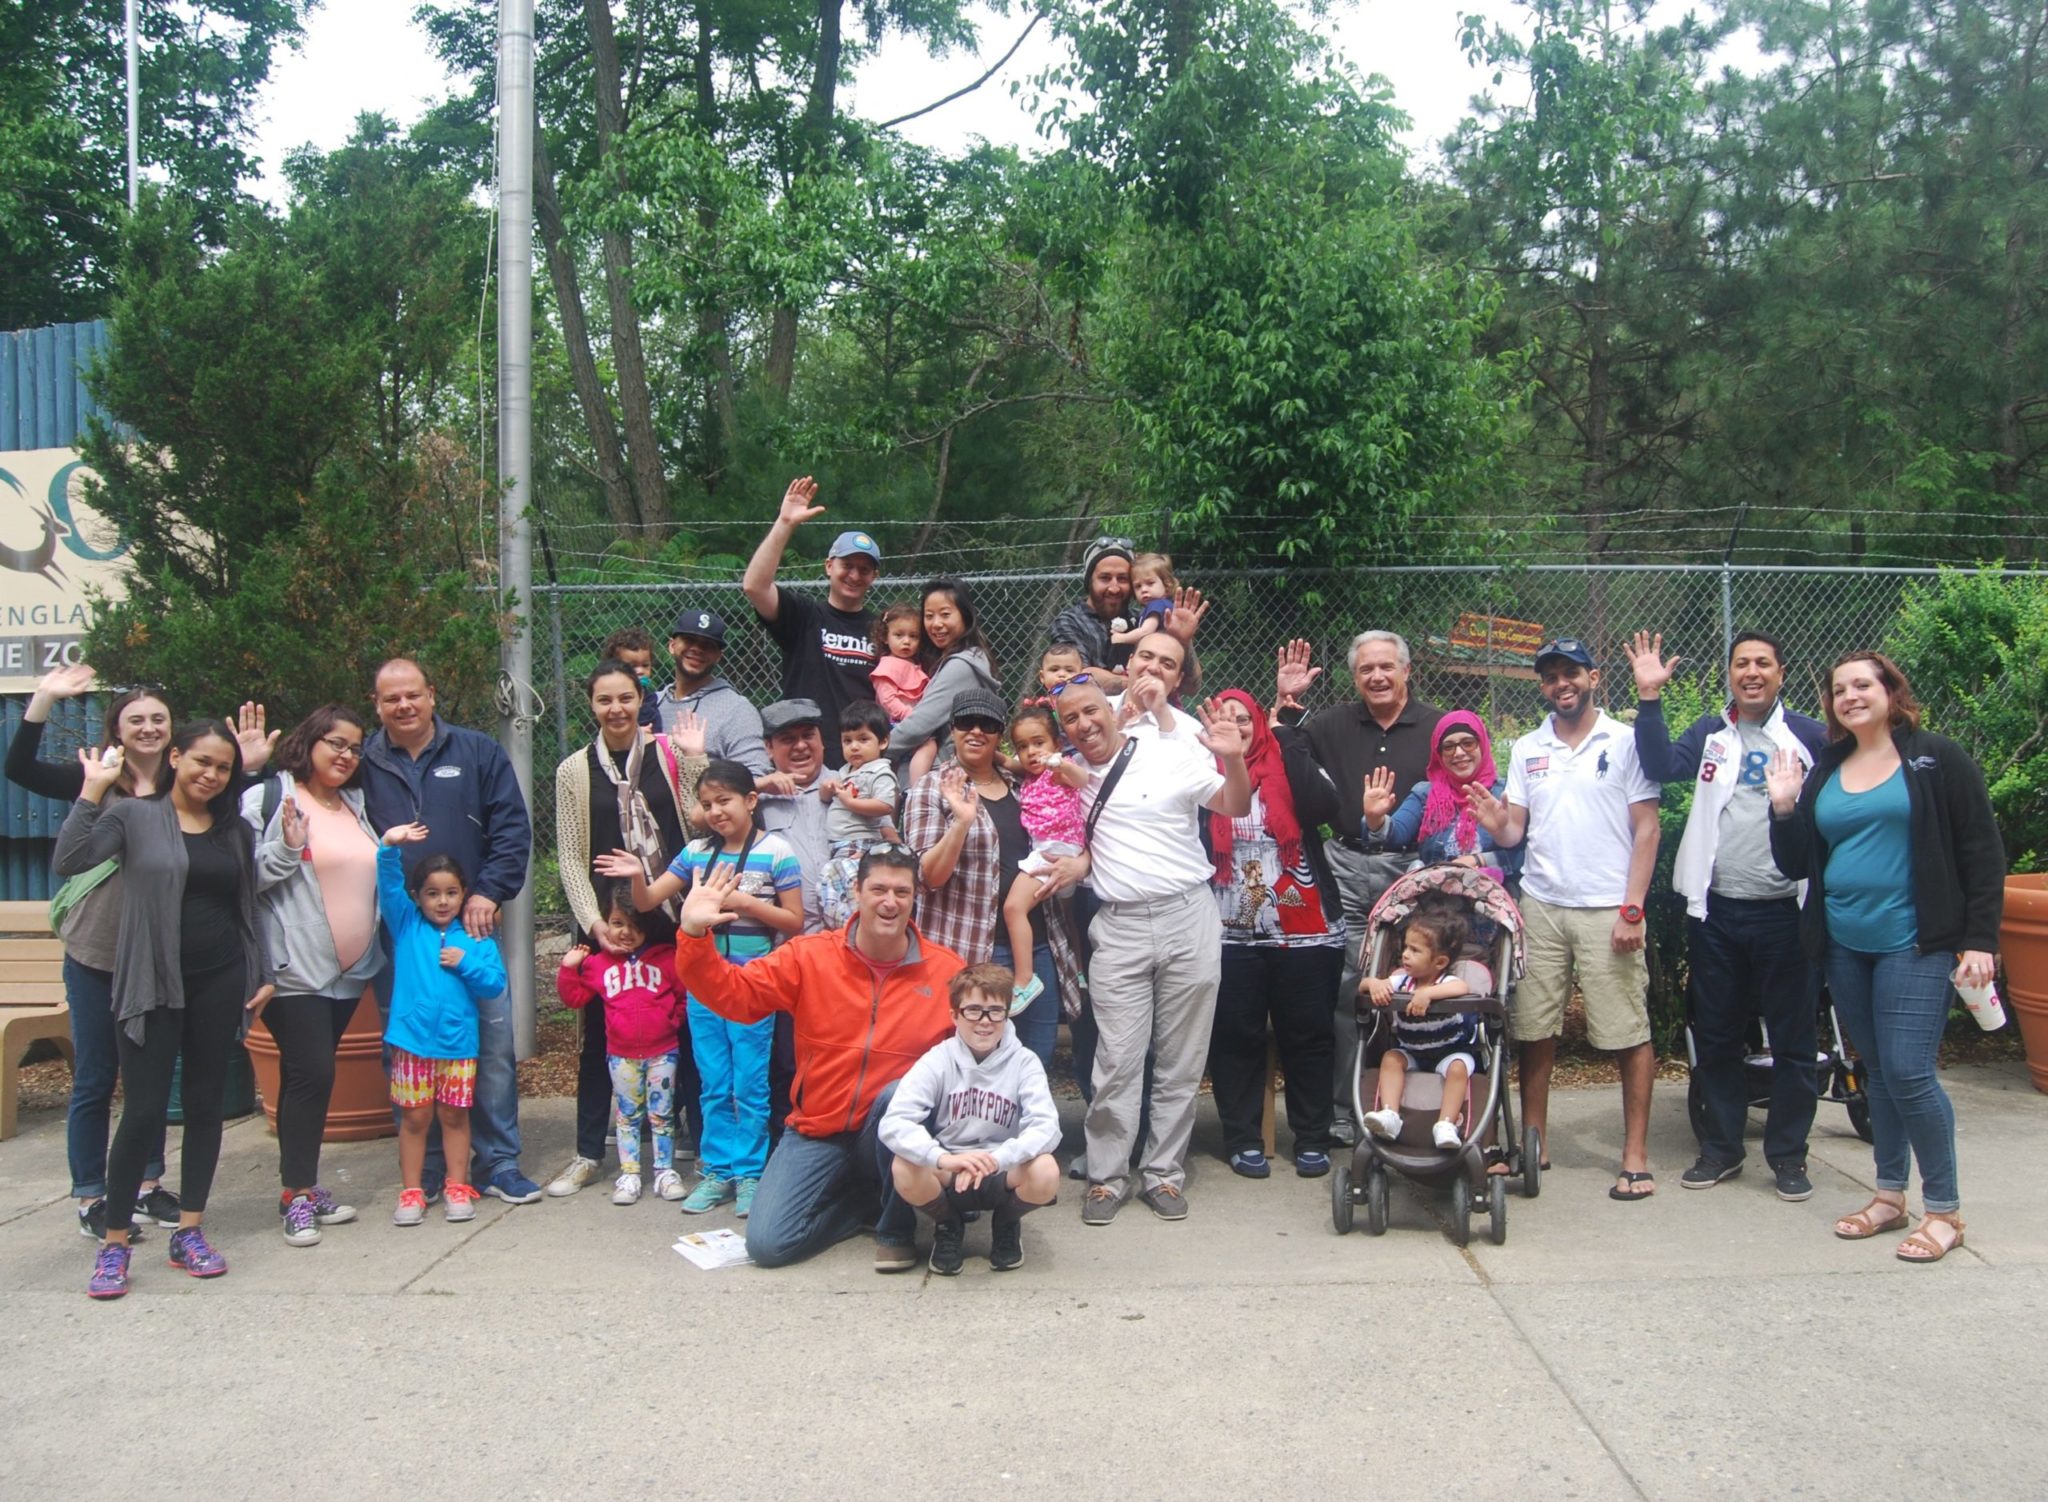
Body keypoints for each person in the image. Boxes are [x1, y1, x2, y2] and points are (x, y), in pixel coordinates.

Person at [7, 666, 274, 1240]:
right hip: (102, 950)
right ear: (119, 731)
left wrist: (247, 769)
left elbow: (236, 871)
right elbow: (22, 775)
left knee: (158, 1085)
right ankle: (92, 1197)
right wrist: (45, 704)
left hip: (178, 958)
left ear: (172, 735)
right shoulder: (106, 784)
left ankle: (149, 1185)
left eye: (158, 718)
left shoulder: (207, 796)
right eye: (136, 720)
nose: (149, 728)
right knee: (101, 1077)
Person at [1766, 651, 2003, 1263]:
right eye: (1839, 687)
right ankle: (1890, 1196)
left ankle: (1945, 1211)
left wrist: (1980, 940)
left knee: (1909, 1072)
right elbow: (1797, 864)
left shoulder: (1935, 757)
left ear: (1890, 691)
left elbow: (1981, 849)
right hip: (1845, 943)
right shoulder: (1829, 766)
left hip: (1918, 943)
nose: (1850, 695)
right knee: (1877, 1074)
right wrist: (1785, 804)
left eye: (1862, 684)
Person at [57, 721, 277, 1299]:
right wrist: (92, 790)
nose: (211, 774)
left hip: (219, 980)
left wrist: (262, 974)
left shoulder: (231, 829)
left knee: (205, 1107)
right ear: (176, 757)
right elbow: (71, 859)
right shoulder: (134, 816)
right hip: (152, 983)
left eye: (223, 767)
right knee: (144, 1111)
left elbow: (245, 907)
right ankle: (113, 1244)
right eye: (202, 761)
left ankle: (190, 1232)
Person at [668, 846, 957, 1270]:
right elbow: (736, 997)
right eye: (878, 889)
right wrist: (694, 936)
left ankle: (893, 1226)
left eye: (902, 891)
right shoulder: (809, 956)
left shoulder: (945, 971)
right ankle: (860, 1203)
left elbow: (977, 1065)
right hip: (818, 1127)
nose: (890, 902)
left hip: (893, 1131)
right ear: (856, 891)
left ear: (915, 898)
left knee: (901, 1094)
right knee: (768, 1246)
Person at [1629, 629, 1829, 1199]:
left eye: (1763, 663)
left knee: (1792, 1042)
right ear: (1731, 674)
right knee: (1716, 1037)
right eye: (1742, 663)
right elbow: (1661, 763)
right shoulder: (1710, 733)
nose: (1752, 672)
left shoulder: (1813, 737)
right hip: (1716, 912)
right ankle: (1721, 1149)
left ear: (1780, 673)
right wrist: (1649, 698)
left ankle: (1789, 1157)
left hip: (1786, 915)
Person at [1466, 638, 1662, 1201]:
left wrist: (1632, 908)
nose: (1561, 683)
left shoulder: (1625, 742)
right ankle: (1534, 1144)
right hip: (1543, 906)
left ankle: (1634, 1156)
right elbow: (1514, 834)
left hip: (1609, 909)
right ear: (1543, 686)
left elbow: (1646, 828)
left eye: (1571, 672)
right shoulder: (1528, 747)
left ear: (1594, 677)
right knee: (1534, 1030)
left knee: (1628, 1032)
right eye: (1550, 676)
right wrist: (1497, 822)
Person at [1053, 677, 1251, 1225]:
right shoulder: (1069, 778)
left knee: (1181, 1059)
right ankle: (1106, 1177)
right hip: (1118, 926)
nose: (1084, 725)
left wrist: (1232, 759)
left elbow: (1234, 803)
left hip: (1188, 914)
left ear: (1116, 713)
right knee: (1115, 1059)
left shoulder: (1168, 754)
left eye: (1091, 711)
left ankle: (1164, 1173)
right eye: (1070, 719)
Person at [359, 658, 539, 1205]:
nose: (404, 706)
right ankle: (430, 1170)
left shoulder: (477, 752)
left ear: (432, 695)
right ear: (377, 705)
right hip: (404, 938)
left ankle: (499, 1162)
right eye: (392, 699)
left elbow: (512, 827)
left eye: (413, 694)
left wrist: (487, 891)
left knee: (490, 1048)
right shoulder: (363, 761)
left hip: (471, 929)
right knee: (409, 1049)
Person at [599, 760, 805, 1218]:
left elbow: (794, 922)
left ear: (751, 801)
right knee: (713, 1081)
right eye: (707, 804)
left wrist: (744, 902)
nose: (715, 812)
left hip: (754, 983)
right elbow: (650, 899)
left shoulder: (776, 852)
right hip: (703, 983)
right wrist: (637, 872)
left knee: (750, 1082)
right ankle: (718, 1171)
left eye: (725, 801)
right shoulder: (694, 853)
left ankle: (750, 1174)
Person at [1275, 633, 1445, 1143]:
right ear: (1355, 677)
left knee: (1417, 987)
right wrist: (1283, 702)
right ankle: (1345, 1110)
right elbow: (1279, 743)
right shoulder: (1331, 723)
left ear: (1407, 670)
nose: (1377, 676)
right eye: (1366, 668)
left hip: (1415, 869)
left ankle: (1425, 1110)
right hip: (1345, 864)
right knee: (1350, 990)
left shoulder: (1438, 726)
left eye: (1386, 667)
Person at [549, 660, 708, 1197]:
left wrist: (696, 761)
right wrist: (594, 926)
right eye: (603, 701)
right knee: (600, 1040)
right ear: (591, 706)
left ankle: (696, 1151)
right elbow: (570, 856)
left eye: (625, 698)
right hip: (606, 923)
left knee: (682, 1031)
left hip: (668, 914)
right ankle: (589, 1152)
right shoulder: (573, 770)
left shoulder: (666, 755)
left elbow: (699, 820)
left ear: (641, 699)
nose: (616, 709)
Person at [241, 705, 386, 1246]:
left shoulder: (355, 805)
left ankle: (305, 1182)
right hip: (291, 969)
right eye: (335, 743)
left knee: (314, 1078)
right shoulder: (269, 798)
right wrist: (286, 847)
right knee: (312, 1074)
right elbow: (239, 877)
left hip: (349, 972)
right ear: (309, 742)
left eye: (354, 747)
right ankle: (296, 1196)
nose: (345, 755)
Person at [902, 692, 1087, 1072]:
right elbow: (929, 877)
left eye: (987, 724)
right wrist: (962, 823)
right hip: (970, 951)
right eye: (965, 722)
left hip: (1039, 947)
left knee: (1034, 1064)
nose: (975, 731)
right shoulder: (931, 788)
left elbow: (1072, 830)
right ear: (951, 729)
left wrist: (1080, 863)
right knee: (972, 1069)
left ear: (999, 735)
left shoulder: (1026, 785)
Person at [1203, 688, 1345, 1180]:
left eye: (1245, 718)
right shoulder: (1200, 773)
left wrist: (1287, 730)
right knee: (1234, 1037)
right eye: (1226, 718)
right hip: (1227, 931)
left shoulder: (1288, 759)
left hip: (1305, 928)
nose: (1237, 726)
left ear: (1259, 723)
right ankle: (1243, 1139)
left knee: (1307, 1036)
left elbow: (1326, 805)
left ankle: (1311, 1137)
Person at [879, 961, 1062, 1275]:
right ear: (954, 1015)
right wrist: (940, 1159)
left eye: (995, 1012)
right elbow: (894, 1122)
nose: (985, 1022)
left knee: (1046, 1171)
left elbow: (1046, 1127)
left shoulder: (1024, 1061)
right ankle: (948, 1224)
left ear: (1007, 1015)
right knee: (904, 1167)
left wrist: (998, 1159)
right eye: (974, 1010)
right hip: (951, 1172)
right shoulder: (938, 1059)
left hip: (1002, 1169)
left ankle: (1006, 1222)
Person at [377, 824, 509, 1228]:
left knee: (454, 1116)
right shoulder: (406, 924)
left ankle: (457, 1185)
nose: (442, 901)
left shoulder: (475, 934)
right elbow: (389, 885)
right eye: (432, 893)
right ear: (417, 897)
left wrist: (464, 962)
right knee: (414, 1118)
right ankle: (412, 1190)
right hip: (412, 1043)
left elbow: (495, 983)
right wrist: (388, 847)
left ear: (464, 893)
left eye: (451, 892)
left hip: (457, 1044)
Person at [556, 885, 685, 1206]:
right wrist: (568, 968)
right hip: (621, 1056)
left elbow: (684, 995)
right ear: (605, 922)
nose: (626, 932)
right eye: (618, 923)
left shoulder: (667, 959)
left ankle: (664, 1171)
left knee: (662, 1114)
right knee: (627, 1116)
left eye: (635, 925)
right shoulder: (598, 964)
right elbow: (574, 999)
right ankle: (630, 1174)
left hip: (663, 1052)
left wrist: (671, 1021)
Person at [742, 475, 881, 750]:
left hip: (861, 761)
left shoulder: (883, 629)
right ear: (829, 566)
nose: (854, 575)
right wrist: (785, 524)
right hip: (805, 755)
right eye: (847, 565)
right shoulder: (804, 616)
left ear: (874, 577)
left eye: (864, 569)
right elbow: (754, 586)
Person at [1359, 908, 1486, 1149]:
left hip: (1449, 1052)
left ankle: (1446, 1124)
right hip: (1412, 1051)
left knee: (1459, 1068)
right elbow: (1363, 985)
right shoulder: (1402, 981)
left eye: (1415, 950)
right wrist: (1374, 983)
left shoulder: (1446, 983)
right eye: (1405, 947)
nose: (1405, 955)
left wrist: (1428, 994)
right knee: (1391, 1058)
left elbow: (1460, 987)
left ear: (1439, 962)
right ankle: (1390, 1116)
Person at [1360, 712, 1524, 884]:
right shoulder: (1425, 793)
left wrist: (1479, 860)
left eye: (1468, 743)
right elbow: (1396, 835)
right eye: (1448, 747)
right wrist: (1375, 819)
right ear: (1439, 754)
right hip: (1437, 899)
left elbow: (1526, 854)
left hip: (1494, 900)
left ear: (1482, 745)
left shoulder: (1507, 793)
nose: (1459, 753)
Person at [998, 705, 1086, 1014]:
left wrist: (1058, 762)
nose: (1031, 752)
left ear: (1057, 743)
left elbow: (1082, 778)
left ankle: (1025, 978)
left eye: (1039, 742)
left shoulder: (1059, 771)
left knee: (1013, 908)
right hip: (1049, 851)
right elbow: (1011, 763)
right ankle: (1079, 974)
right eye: (1023, 746)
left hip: (1056, 853)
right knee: (1068, 918)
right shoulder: (1030, 777)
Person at [886, 576, 1001, 777]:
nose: (936, 624)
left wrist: (875, 751)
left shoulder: (962, 666)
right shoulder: (959, 659)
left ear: (965, 615)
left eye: (945, 614)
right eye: (929, 616)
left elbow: (920, 724)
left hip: (944, 773)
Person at [651, 610, 771, 776]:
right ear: (672, 645)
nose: (697, 649)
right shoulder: (652, 704)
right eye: (689, 640)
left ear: (718, 656)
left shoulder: (737, 709)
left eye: (707, 645)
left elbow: (755, 776)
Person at [817, 700, 902, 931]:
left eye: (863, 739)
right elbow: (826, 799)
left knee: (850, 889)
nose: (854, 747)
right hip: (839, 846)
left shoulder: (880, 771)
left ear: (883, 741)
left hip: (860, 845)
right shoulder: (845, 772)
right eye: (848, 740)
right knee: (832, 887)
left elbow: (884, 805)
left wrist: (850, 802)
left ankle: (855, 930)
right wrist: (827, 789)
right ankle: (844, 930)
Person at [869, 603, 929, 724]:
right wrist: (908, 715)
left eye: (913, 636)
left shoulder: (916, 665)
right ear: (885, 637)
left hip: (918, 720)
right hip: (895, 724)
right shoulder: (887, 667)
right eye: (899, 635)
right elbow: (887, 700)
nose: (906, 641)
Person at [596, 626, 664, 729]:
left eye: (645, 665)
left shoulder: (649, 698)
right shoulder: (607, 699)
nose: (640, 671)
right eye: (632, 666)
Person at [1109, 551, 1179, 649]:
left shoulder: (1158, 605)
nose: (1144, 590)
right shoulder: (1163, 604)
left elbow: (1146, 631)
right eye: (1138, 586)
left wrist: (1121, 638)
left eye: (1150, 583)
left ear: (1167, 585)